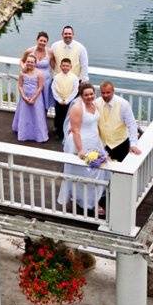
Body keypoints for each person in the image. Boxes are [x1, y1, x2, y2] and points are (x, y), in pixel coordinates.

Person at [57, 83, 111, 214]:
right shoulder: (77, 108)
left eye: (91, 94)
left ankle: (94, 199)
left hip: (94, 141)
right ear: (81, 95)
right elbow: (75, 130)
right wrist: (80, 149)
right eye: (86, 95)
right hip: (80, 142)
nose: (89, 96)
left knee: (99, 171)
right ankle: (88, 202)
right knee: (84, 172)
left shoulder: (95, 105)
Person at [95, 81, 141, 162]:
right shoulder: (96, 102)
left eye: (108, 92)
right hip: (103, 144)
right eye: (103, 93)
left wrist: (133, 144)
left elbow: (132, 125)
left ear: (113, 91)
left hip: (121, 144)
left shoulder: (123, 104)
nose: (105, 95)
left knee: (121, 169)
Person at [12, 54, 49, 142]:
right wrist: (24, 97)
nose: (30, 63)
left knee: (37, 115)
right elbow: (20, 85)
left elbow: (40, 87)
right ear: (25, 62)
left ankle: (38, 135)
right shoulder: (22, 73)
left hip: (36, 98)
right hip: (24, 97)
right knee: (25, 115)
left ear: (35, 63)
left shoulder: (39, 73)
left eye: (32, 62)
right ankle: (24, 133)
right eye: (28, 62)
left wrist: (33, 98)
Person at [20, 31, 54, 110]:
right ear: (37, 40)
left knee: (44, 104)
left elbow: (53, 66)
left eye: (44, 41)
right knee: (33, 101)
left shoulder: (50, 52)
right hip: (33, 81)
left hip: (46, 81)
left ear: (47, 42)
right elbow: (22, 61)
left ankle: (42, 120)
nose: (42, 43)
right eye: (41, 40)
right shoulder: (30, 51)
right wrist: (24, 68)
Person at [51, 58, 79, 140]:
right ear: (60, 66)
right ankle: (59, 133)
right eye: (63, 65)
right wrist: (59, 99)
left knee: (68, 118)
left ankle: (66, 133)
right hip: (58, 101)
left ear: (70, 66)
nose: (65, 67)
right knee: (58, 117)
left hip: (69, 102)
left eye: (67, 66)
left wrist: (67, 100)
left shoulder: (74, 78)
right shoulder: (56, 77)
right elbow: (53, 89)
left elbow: (75, 91)